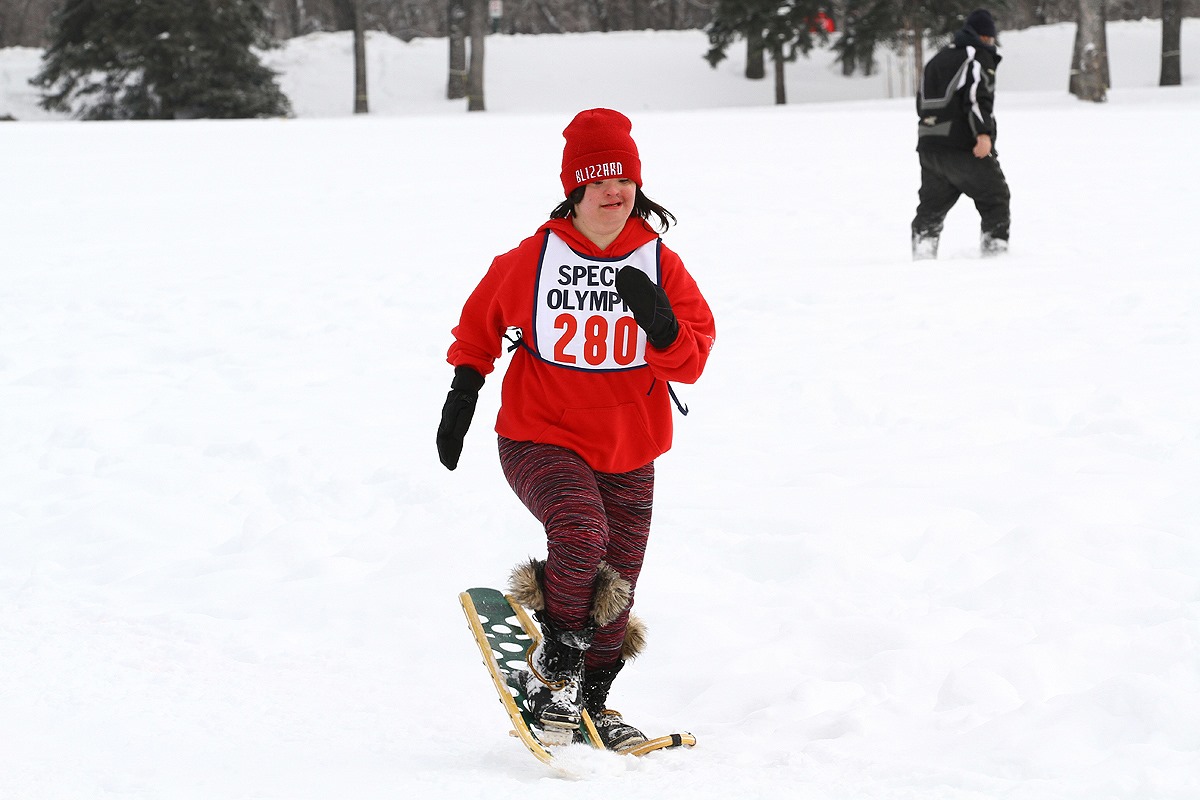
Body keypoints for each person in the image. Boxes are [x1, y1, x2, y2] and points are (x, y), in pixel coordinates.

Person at [436, 108, 716, 752]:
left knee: (619, 576)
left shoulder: (658, 263)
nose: (614, 194)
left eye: (623, 182)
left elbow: (694, 360)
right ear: (575, 191)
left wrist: (665, 330)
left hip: (629, 445)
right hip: (540, 433)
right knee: (581, 530)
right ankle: (555, 669)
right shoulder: (532, 260)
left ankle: (591, 701)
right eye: (598, 184)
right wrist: (463, 391)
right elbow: (478, 327)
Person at [911, 8, 1011, 259]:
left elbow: (921, 102)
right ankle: (995, 255)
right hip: (962, 146)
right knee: (995, 197)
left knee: (931, 208)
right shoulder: (977, 57)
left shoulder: (938, 58)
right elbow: (977, 98)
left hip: (929, 145)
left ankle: (922, 257)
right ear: (986, 37)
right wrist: (983, 134)